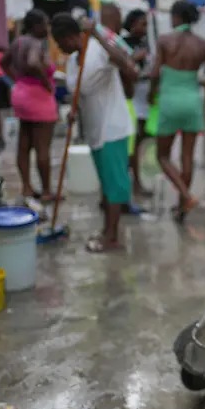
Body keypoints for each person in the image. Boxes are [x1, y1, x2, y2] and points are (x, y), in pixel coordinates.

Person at [51, 13, 138, 253]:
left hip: (112, 127)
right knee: (106, 184)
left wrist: (97, 33)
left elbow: (126, 65)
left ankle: (111, 237)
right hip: (93, 128)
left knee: (115, 185)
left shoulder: (98, 50)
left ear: (72, 36)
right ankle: (107, 230)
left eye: (61, 42)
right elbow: (81, 92)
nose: (60, 47)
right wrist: (74, 112)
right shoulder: (72, 62)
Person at [149, 0, 205, 223]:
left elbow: (153, 74)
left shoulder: (164, 41)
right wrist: (195, 82)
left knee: (162, 155)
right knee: (187, 156)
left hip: (169, 100)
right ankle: (182, 208)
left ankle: (186, 195)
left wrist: (153, 94)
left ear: (176, 17)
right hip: (192, 100)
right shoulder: (203, 44)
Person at [0, 9, 58, 202]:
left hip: (21, 92)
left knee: (24, 144)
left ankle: (26, 187)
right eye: (45, 24)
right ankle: (47, 191)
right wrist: (46, 82)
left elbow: (3, 62)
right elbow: (33, 62)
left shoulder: (18, 41)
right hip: (38, 96)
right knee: (42, 146)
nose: (48, 28)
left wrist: (17, 79)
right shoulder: (36, 43)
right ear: (36, 26)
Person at [122, 9, 152, 196]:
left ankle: (133, 179)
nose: (145, 28)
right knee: (133, 143)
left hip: (143, 97)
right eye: (142, 24)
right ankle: (135, 182)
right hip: (131, 99)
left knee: (138, 141)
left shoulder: (145, 43)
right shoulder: (124, 44)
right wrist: (135, 59)